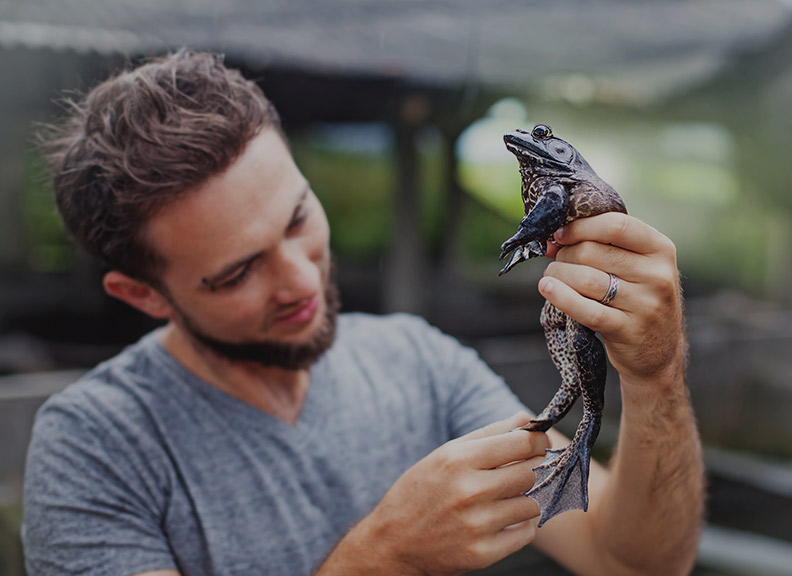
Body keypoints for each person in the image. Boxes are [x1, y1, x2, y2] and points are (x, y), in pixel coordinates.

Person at [22, 50, 704, 576]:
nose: (299, 279)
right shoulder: (93, 448)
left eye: (297, 218)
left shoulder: (416, 362)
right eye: (237, 271)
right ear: (142, 293)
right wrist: (385, 556)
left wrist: (657, 378)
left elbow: (633, 560)